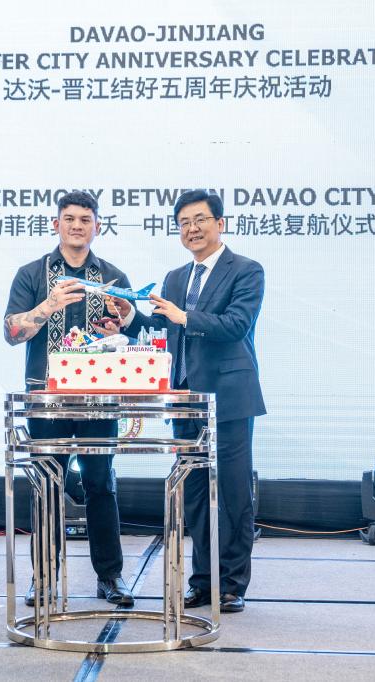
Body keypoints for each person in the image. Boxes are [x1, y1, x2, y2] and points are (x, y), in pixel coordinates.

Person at [105, 188, 265, 613]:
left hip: (229, 399)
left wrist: (184, 316)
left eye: (200, 220)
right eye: (184, 223)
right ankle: (203, 581)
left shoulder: (246, 270)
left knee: (232, 493)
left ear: (220, 224)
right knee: (193, 492)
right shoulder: (176, 278)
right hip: (184, 400)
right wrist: (128, 317)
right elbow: (164, 331)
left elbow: (236, 325)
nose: (192, 229)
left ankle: (232, 585)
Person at [3, 190, 134, 606]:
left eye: (85, 219)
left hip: (100, 397)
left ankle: (110, 578)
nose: (77, 225)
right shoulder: (31, 274)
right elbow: (11, 332)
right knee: (46, 486)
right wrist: (47, 306)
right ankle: (43, 579)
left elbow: (131, 334)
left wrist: (121, 323)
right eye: (70, 218)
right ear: (56, 223)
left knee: (101, 485)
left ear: (98, 226)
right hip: (46, 398)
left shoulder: (113, 276)